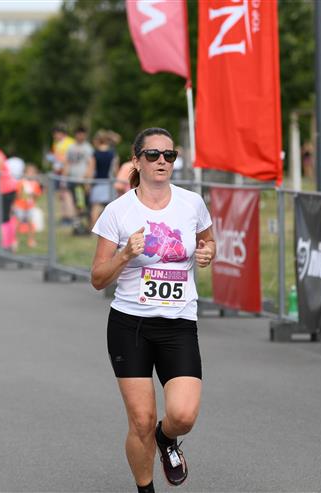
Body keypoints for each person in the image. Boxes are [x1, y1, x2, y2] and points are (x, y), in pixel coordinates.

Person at [90, 128, 216, 493]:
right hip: (130, 325)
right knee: (141, 421)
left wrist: (208, 253)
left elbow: (208, 242)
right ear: (136, 160)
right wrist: (125, 254)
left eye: (169, 155)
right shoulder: (118, 211)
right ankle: (145, 489)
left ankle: (166, 438)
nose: (162, 161)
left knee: (183, 416)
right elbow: (97, 278)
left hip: (179, 323)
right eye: (153, 155)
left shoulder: (192, 203)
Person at [86, 130, 119, 228]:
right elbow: (115, 171)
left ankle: (93, 227)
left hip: (98, 183)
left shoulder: (95, 154)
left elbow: (90, 171)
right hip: (110, 184)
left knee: (96, 208)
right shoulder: (112, 153)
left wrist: (87, 185)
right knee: (111, 209)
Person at [65, 126, 94, 229]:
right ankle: (79, 226)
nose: (80, 136)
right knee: (77, 204)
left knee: (85, 204)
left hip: (83, 182)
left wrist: (87, 180)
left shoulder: (88, 148)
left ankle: (88, 226)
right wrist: (64, 179)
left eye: (82, 133)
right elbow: (67, 162)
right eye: (78, 133)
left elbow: (90, 164)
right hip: (73, 181)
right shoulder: (71, 147)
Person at [13, 164, 43, 249]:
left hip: (30, 206)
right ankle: (15, 240)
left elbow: (37, 195)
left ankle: (31, 240)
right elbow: (17, 195)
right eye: (28, 172)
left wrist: (34, 195)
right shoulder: (21, 182)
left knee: (30, 223)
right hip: (20, 206)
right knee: (17, 223)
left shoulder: (35, 184)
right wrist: (23, 194)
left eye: (33, 173)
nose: (30, 174)